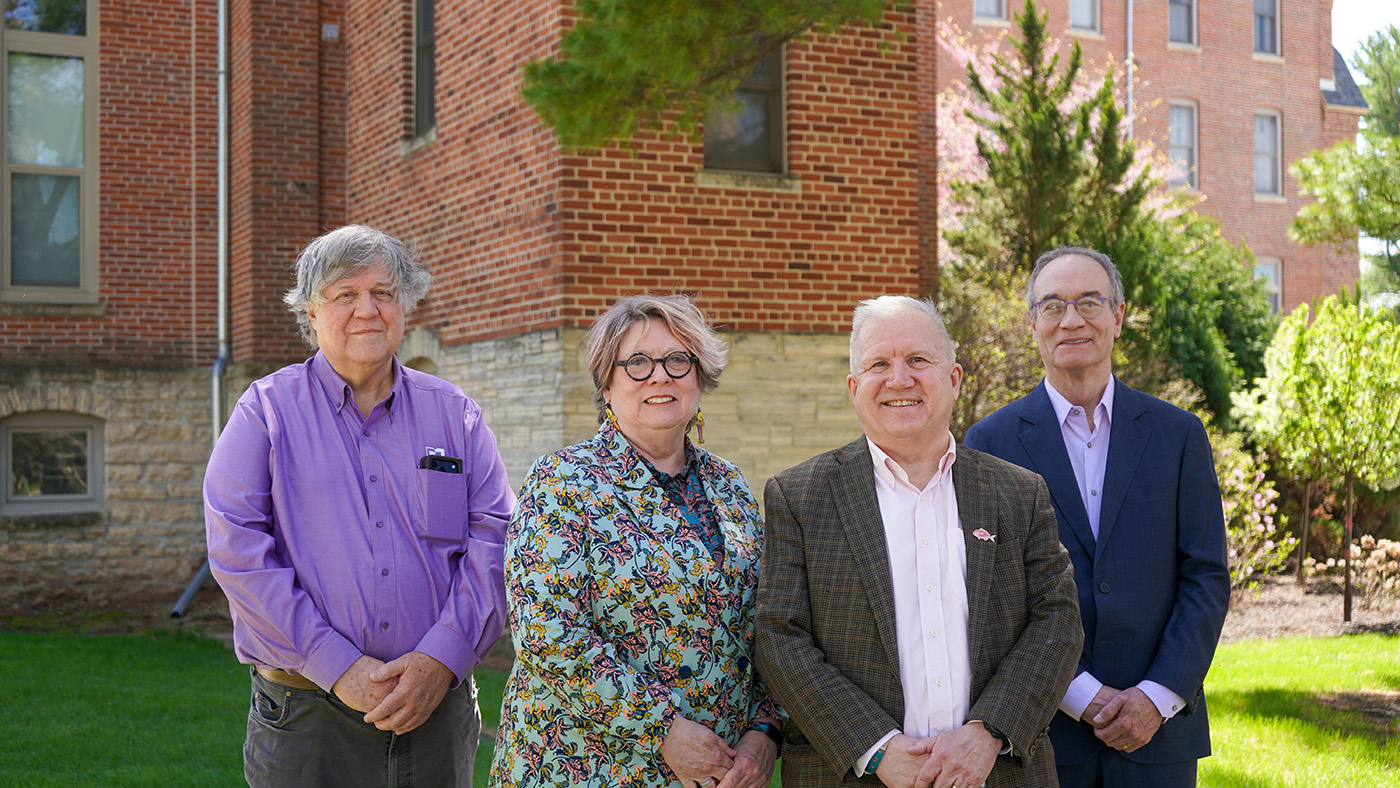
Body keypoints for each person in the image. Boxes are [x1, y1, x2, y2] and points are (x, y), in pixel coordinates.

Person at [204, 225, 513, 787]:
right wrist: (335, 664)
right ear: (311, 313)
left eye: (383, 292)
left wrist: (440, 659)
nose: (367, 309)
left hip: (436, 712)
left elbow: (495, 541)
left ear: (405, 305)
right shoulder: (264, 414)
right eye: (345, 294)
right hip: (307, 718)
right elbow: (238, 553)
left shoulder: (455, 415)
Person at [756, 295, 1082, 788]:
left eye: (918, 360)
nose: (899, 379)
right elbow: (780, 639)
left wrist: (987, 732)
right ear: (854, 387)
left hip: (997, 773)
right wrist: (877, 749)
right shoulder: (800, 497)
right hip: (854, 775)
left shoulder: (1018, 493)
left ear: (953, 379)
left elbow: (1057, 622)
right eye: (878, 364)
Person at [489, 294, 782, 788]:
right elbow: (549, 637)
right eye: (639, 363)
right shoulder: (562, 482)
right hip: (586, 768)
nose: (661, 376)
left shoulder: (730, 485)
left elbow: (770, 620)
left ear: (699, 377)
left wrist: (764, 730)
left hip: (721, 771)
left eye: (677, 360)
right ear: (607, 382)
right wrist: (663, 730)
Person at [964, 247, 1230, 788]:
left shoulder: (1179, 435)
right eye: (1053, 305)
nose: (1072, 319)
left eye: (1089, 301)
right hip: (1040, 734)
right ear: (1032, 322)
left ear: (1118, 316)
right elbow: (990, 596)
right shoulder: (988, 445)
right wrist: (1080, 696)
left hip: (1160, 735)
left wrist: (1156, 697)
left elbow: (1205, 576)